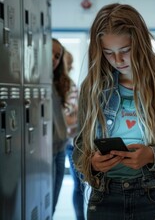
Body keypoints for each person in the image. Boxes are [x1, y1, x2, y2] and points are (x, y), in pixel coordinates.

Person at [72, 3, 155, 220]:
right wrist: (92, 164)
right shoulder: (92, 87)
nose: (118, 60)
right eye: (108, 53)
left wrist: (152, 155)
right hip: (105, 197)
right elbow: (78, 149)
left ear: (140, 43)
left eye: (125, 50)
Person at [63, 50, 85, 220]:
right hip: (70, 143)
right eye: (67, 61)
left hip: (77, 141)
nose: (69, 66)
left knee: (81, 185)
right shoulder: (58, 87)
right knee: (78, 185)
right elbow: (68, 120)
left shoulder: (71, 85)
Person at [52, 38, 72, 215]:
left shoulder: (58, 82)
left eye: (57, 56)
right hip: (44, 152)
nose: (53, 58)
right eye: (49, 53)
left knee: (52, 203)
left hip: (60, 148)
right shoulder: (35, 82)